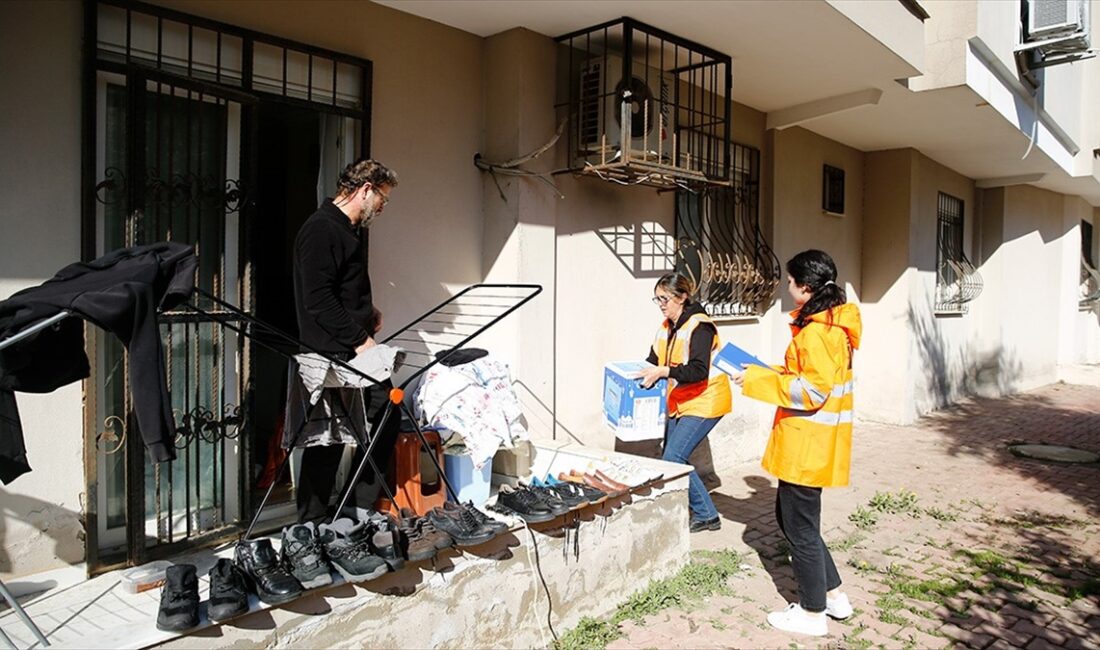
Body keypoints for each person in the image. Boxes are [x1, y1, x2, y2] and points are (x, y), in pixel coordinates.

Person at [730, 249, 862, 637]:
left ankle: (811, 613)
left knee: (799, 529)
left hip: (807, 445)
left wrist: (758, 382)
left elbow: (811, 392)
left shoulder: (819, 332)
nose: (786, 289)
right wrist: (762, 371)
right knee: (797, 523)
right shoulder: (828, 325)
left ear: (806, 287)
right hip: (811, 444)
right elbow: (803, 376)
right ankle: (833, 596)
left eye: (790, 282)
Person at [290, 158, 399, 525]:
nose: (384, 208)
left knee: (382, 415)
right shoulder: (321, 230)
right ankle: (313, 523)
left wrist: (369, 310)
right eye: (383, 199)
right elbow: (317, 299)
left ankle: (351, 508)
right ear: (365, 190)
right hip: (334, 350)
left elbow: (339, 288)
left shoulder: (346, 229)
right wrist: (361, 340)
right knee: (329, 437)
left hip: (350, 344)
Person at [639, 272, 732, 533]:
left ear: (682, 297)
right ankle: (688, 506)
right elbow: (653, 360)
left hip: (706, 399)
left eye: (665, 299)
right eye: (656, 299)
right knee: (670, 458)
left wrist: (664, 372)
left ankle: (707, 515)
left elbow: (699, 370)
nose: (661, 305)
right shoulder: (667, 326)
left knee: (674, 456)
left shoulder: (700, 327)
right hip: (681, 400)